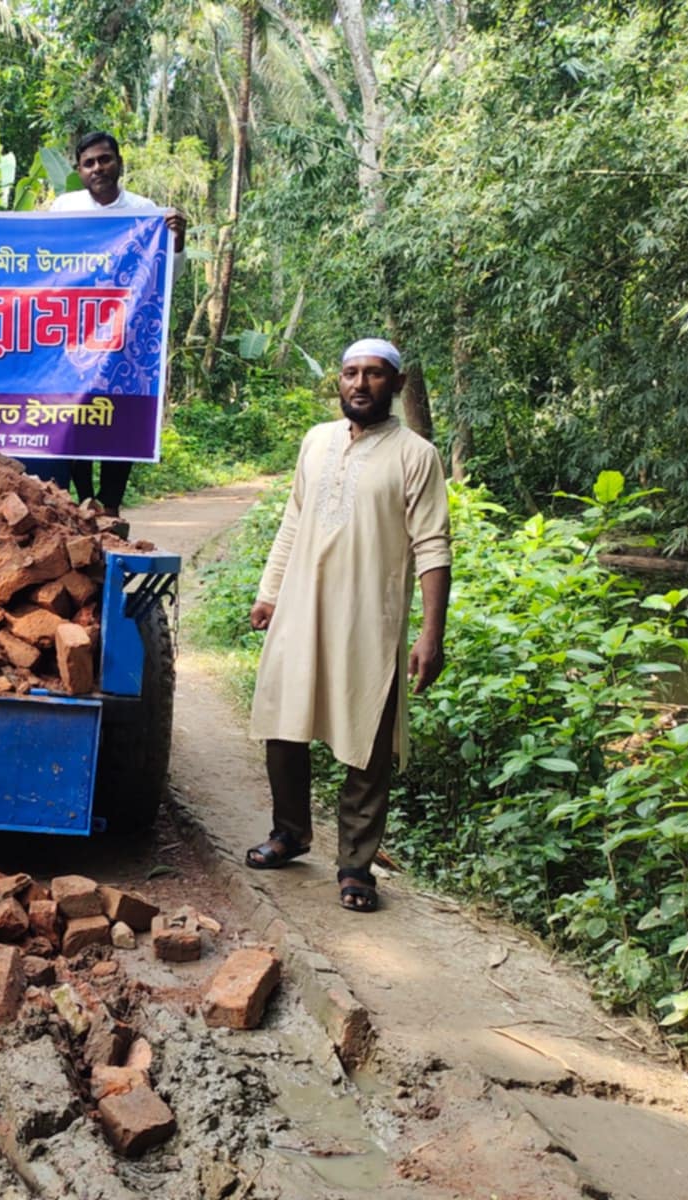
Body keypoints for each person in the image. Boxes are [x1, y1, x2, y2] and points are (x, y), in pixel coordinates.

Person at [242, 338, 451, 913]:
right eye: (351, 373)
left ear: (397, 386)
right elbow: (295, 519)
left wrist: (431, 635)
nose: (360, 384)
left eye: (375, 375)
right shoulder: (316, 442)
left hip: (369, 619)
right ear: (338, 381)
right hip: (300, 609)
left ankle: (356, 865)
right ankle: (291, 832)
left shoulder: (415, 455)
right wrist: (270, 592)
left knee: (368, 741)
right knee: (284, 724)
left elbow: (433, 546)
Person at [50, 131, 189, 515]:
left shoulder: (146, 211)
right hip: (74, 334)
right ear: (78, 171)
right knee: (74, 414)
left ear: (119, 162)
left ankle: (110, 507)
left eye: (105, 159)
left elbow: (166, 276)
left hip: (125, 337)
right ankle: (81, 504)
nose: (98, 168)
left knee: (119, 417)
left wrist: (176, 241)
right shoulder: (63, 209)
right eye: (89, 163)